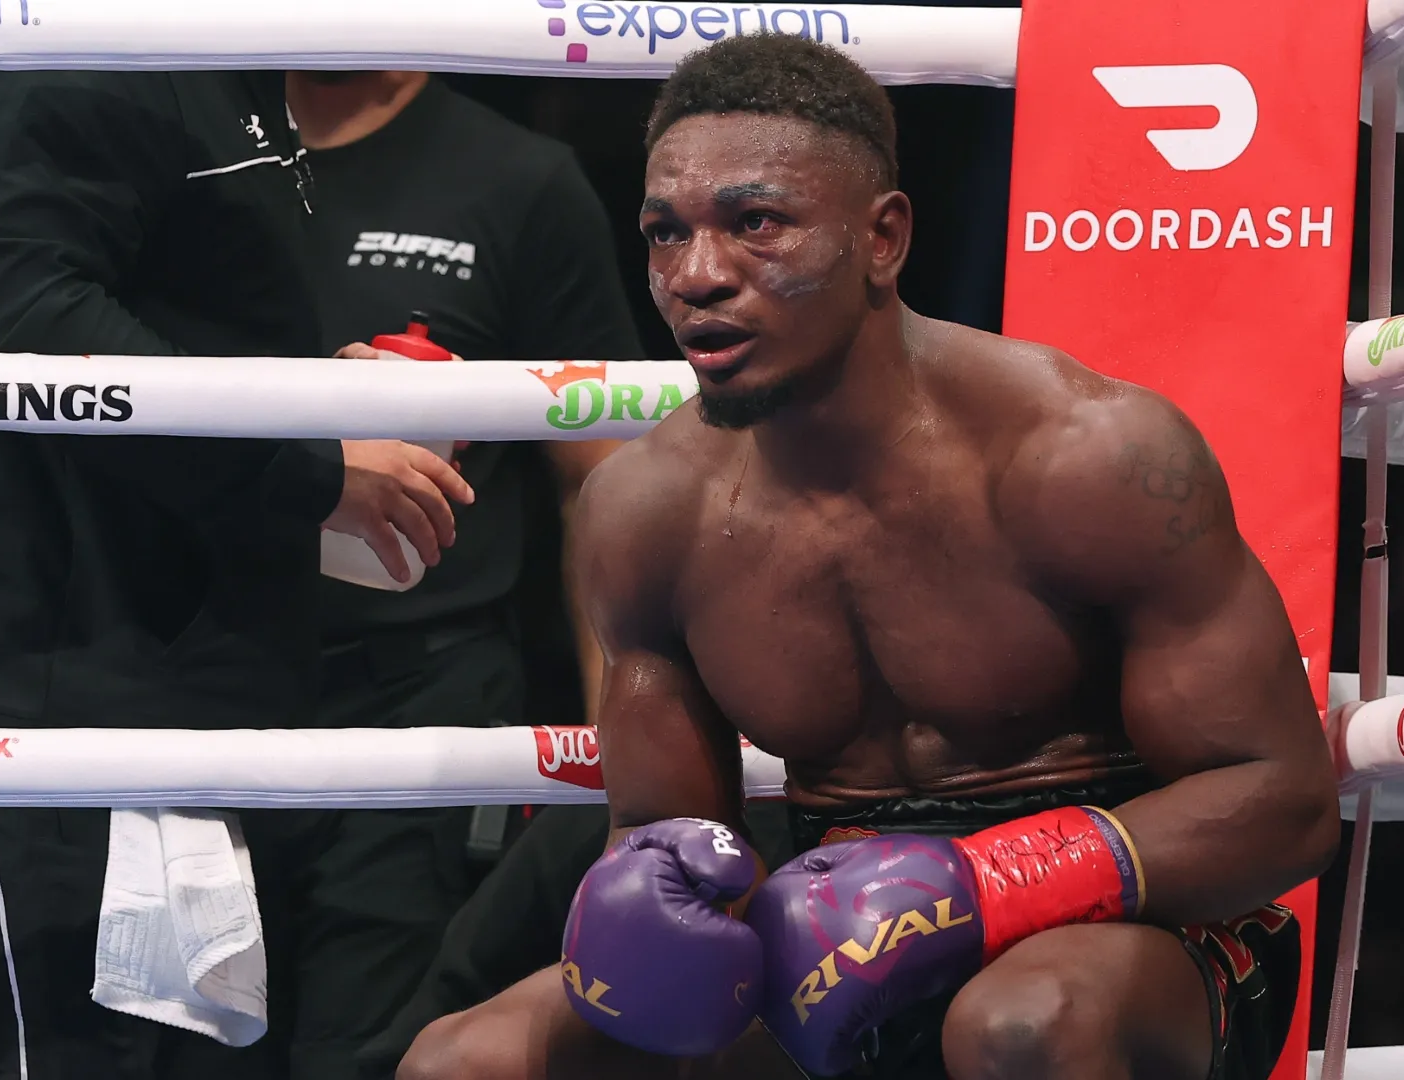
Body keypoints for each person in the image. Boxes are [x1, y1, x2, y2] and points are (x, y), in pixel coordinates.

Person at [398, 31, 1338, 1080]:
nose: (697, 277)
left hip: (1147, 934)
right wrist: (656, 912)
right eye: (667, 234)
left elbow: (1284, 798)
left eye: (755, 223)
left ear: (882, 239)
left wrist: (988, 883)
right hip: (834, 934)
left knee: (1022, 1022)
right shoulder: (646, 512)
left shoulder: (1086, 454)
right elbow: (670, 833)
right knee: (468, 1060)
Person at [0, 69, 469, 1079]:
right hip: (54, 678)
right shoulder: (84, 48)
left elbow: (147, 297)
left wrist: (305, 401)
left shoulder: (215, 54)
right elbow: (27, 324)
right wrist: (310, 465)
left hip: (172, 668)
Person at [268, 68, 643, 1080]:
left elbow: (598, 483)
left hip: (420, 705)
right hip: (197, 678)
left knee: (366, 1053)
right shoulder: (186, 151)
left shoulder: (516, 180)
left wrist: (630, 778)